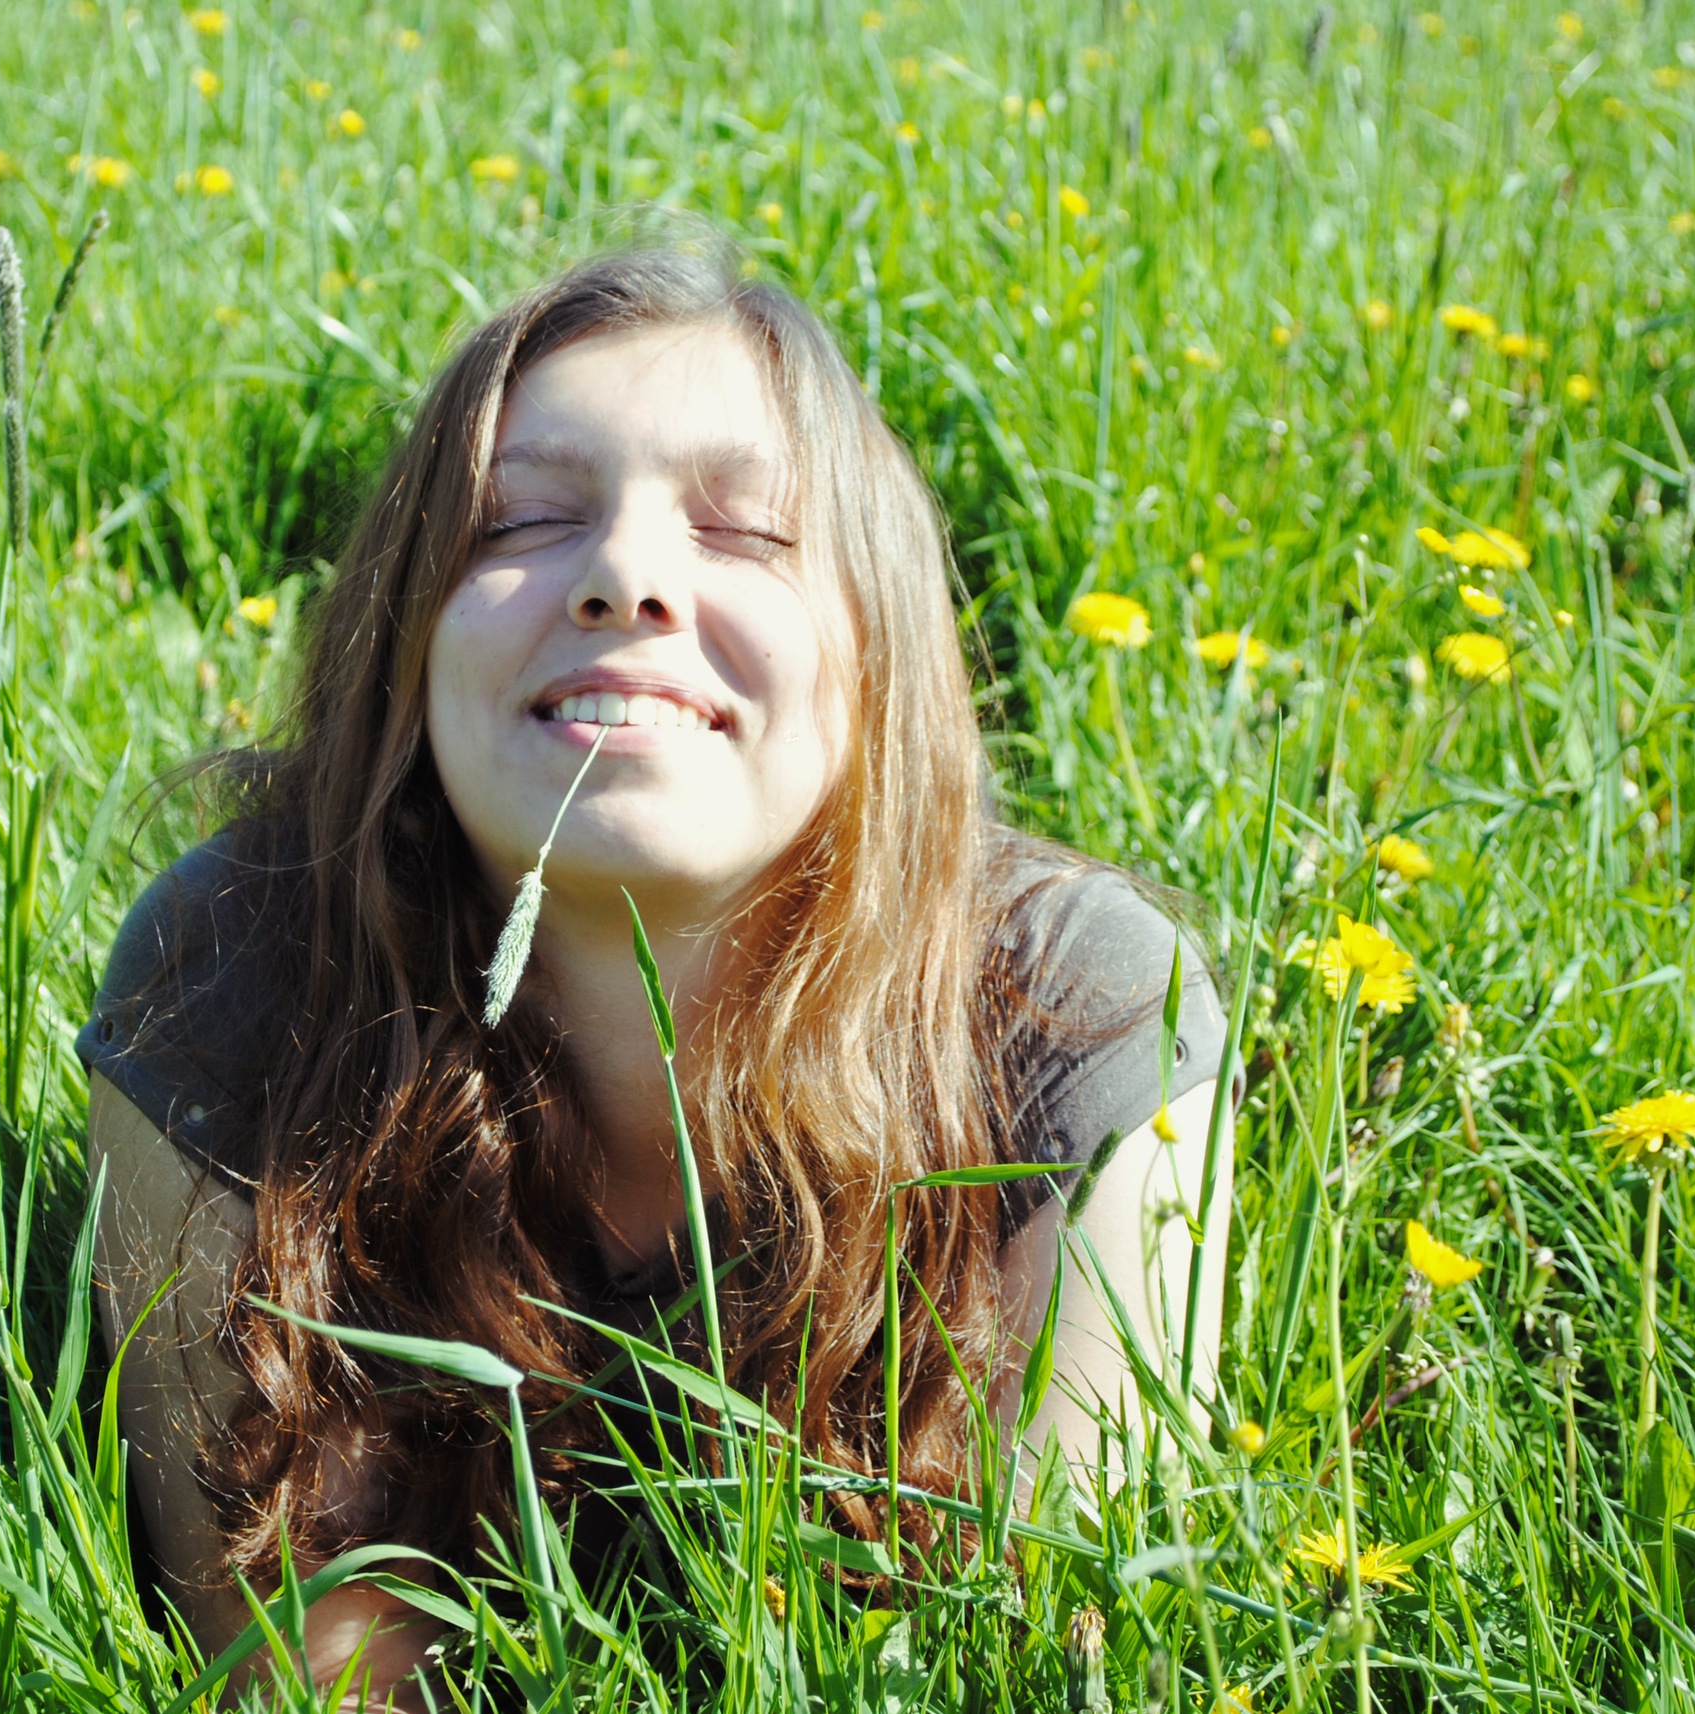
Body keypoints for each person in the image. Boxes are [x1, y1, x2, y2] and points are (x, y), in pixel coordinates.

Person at [78, 241, 1234, 1701]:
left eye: (744, 531)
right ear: (406, 639)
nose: (625, 577)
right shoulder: (232, 975)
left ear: (875, 649)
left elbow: (1050, 1660)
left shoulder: (1080, 1013)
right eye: (522, 519)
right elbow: (307, 1676)